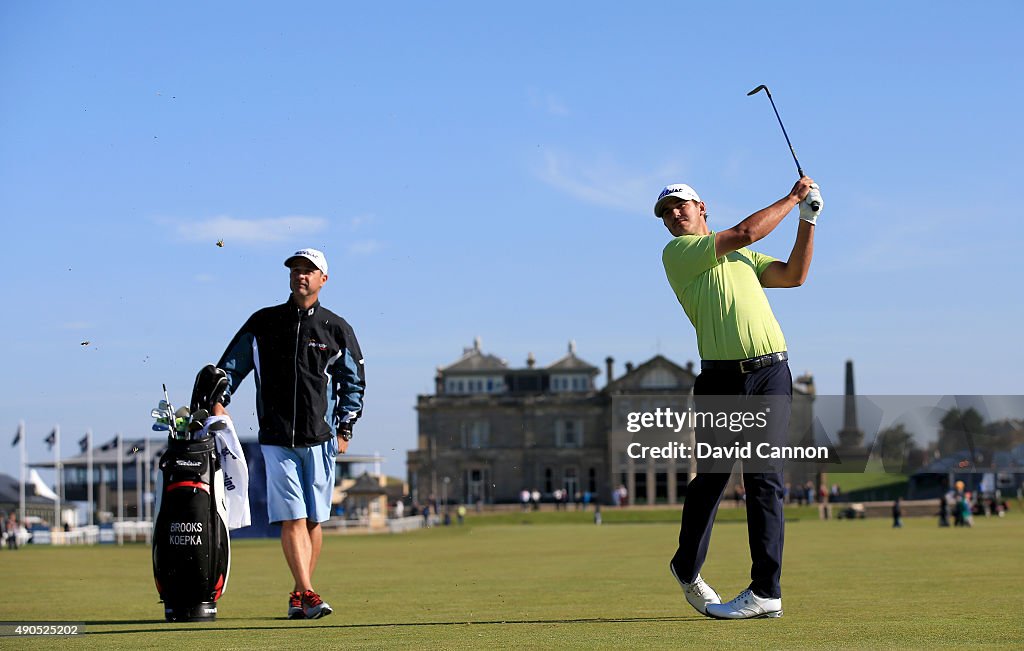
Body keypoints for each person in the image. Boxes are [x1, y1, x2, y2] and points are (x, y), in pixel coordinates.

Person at [657, 177, 822, 620]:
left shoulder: (744, 258)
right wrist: (792, 197)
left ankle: (767, 591)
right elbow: (747, 231)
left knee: (764, 478)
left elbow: (794, 276)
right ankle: (685, 566)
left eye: (680, 206)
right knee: (712, 479)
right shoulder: (678, 254)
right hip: (720, 382)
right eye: (667, 212)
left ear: (701, 206)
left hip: (770, 373)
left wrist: (807, 220)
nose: (674, 214)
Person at [214, 248, 365, 620]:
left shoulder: (336, 328)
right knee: (293, 518)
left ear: (322, 280)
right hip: (276, 438)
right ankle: (310, 593)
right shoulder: (263, 322)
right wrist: (220, 400)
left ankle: (298, 594)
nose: (301, 276)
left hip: (321, 438)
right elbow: (230, 366)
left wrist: (345, 428)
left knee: (313, 521)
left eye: (309, 271)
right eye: (296, 270)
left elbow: (354, 382)